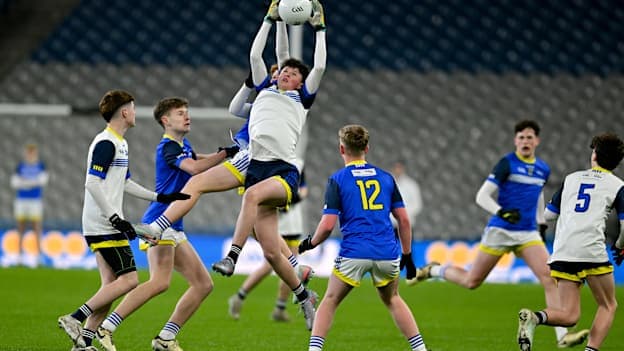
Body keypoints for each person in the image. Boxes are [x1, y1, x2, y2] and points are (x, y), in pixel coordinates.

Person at [412, 120, 588, 348]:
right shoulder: (507, 164)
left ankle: (562, 337)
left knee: (550, 278)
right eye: (521, 137)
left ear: (537, 141)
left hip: (527, 233)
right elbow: (482, 196)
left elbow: (538, 194)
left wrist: (541, 223)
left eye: (529, 137)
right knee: (471, 281)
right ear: (515, 140)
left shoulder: (543, 168)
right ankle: (433, 269)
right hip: (501, 231)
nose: (525, 141)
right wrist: (501, 212)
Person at [210, 0, 327, 330]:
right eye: (284, 69)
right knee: (273, 252)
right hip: (258, 169)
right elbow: (257, 56)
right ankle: (305, 297)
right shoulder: (264, 88)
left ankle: (231, 257)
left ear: (300, 84)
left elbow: (318, 67)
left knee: (250, 197)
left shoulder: (301, 99)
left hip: (282, 171)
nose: (285, 72)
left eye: (292, 73)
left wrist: (320, 30)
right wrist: (271, 19)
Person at [96, 97, 234, 351]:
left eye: (187, 112)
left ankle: (165, 338)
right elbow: (194, 168)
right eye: (180, 113)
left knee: (203, 284)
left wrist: (222, 154)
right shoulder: (168, 147)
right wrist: (226, 155)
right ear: (165, 120)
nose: (187, 116)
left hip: (174, 224)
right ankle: (106, 327)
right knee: (160, 282)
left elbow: (196, 157)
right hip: (161, 221)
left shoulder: (182, 144)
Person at [57, 90, 189, 351]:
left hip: (106, 223)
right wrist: (116, 218)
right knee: (129, 280)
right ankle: (74, 317)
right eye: (134, 108)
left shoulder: (120, 143)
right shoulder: (106, 142)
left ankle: (82, 343)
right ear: (125, 112)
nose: (136, 113)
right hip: (102, 224)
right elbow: (92, 183)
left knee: (111, 287)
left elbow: (125, 183)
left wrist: (160, 196)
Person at [297, 124, 427, 351]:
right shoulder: (386, 178)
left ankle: (314, 350)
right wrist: (407, 255)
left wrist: (310, 242)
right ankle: (420, 349)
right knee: (393, 299)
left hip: (355, 251)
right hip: (387, 251)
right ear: (367, 148)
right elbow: (404, 221)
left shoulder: (338, 179)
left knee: (330, 301)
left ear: (341, 149)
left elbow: (327, 226)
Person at [517, 133, 624, 351]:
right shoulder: (618, 185)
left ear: (594, 155)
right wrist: (620, 247)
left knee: (569, 316)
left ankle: (535, 318)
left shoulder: (572, 179)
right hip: (591, 250)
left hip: (563, 251)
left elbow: (547, 215)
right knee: (608, 305)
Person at [228, 168, 312, 322]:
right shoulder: (273, 160)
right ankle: (240, 296)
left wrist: (291, 196)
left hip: (293, 219)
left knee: (285, 263)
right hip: (276, 217)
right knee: (273, 263)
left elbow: (304, 189)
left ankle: (279, 307)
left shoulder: (297, 163)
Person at [10, 143, 48, 265]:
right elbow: (14, 183)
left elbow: (42, 181)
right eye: (29, 152)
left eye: (33, 152)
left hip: (35, 200)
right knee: (21, 227)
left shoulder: (41, 166)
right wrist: (32, 182)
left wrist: (25, 183)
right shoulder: (20, 166)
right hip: (22, 200)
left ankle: (39, 256)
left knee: (36, 227)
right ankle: (19, 255)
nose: (31, 154)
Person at [390, 160, 422, 237]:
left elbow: (417, 205)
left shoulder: (411, 185)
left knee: (407, 248)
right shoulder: (387, 183)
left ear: (403, 168)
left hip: (406, 223)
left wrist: (403, 214)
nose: (398, 170)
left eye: (399, 167)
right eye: (396, 167)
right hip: (390, 224)